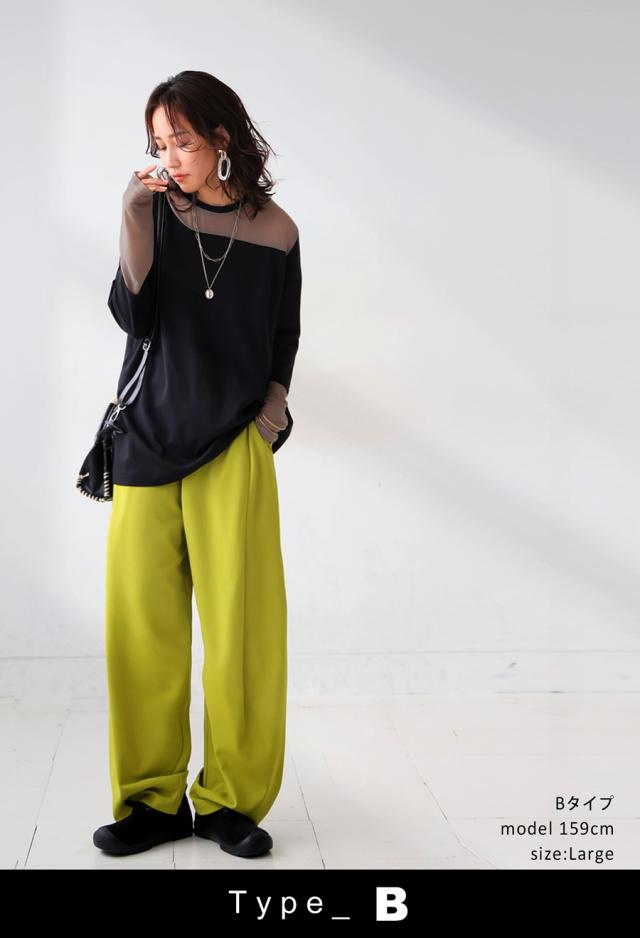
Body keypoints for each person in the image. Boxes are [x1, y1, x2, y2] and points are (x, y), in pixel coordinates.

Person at [92, 70, 302, 859]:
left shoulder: (277, 231)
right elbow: (133, 313)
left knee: (243, 634)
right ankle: (151, 802)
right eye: (158, 142)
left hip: (232, 450)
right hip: (146, 440)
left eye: (181, 140)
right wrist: (132, 210)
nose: (168, 156)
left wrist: (268, 418)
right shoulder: (155, 210)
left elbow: (283, 336)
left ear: (221, 138)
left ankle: (229, 802)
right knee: (142, 634)